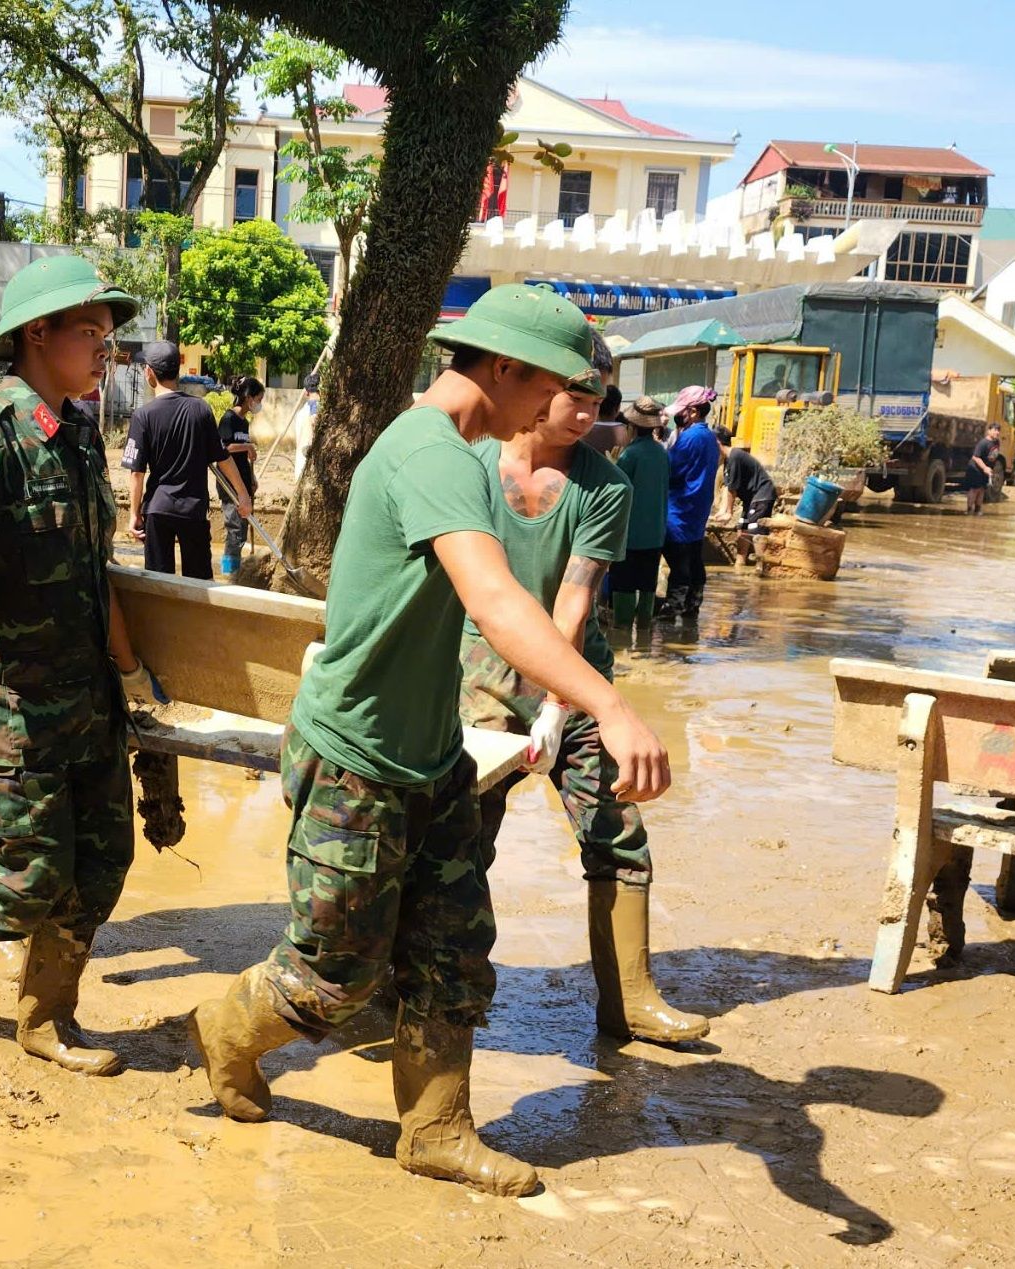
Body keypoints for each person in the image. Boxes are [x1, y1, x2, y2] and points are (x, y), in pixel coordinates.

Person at [188, 283, 672, 1199]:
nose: (555, 413)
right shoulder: (434, 455)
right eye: (552, 389)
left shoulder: (455, 449)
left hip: (431, 755)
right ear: (502, 368)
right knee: (334, 976)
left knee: (451, 951)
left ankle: (435, 1127)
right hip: (356, 757)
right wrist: (606, 703)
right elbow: (495, 603)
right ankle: (223, 1025)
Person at [0, 254, 169, 1076]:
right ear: (36, 334)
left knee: (99, 866)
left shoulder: (82, 436)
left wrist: (132, 676)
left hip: (87, 699)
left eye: (109, 337)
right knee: (19, 879)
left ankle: (46, 1018)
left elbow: (99, 570)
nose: (104, 351)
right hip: (9, 702)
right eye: (89, 333)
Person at [459, 338, 708, 1048]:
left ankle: (627, 998)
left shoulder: (605, 485)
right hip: (472, 681)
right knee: (459, 846)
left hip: (573, 678)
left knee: (617, 830)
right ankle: (440, 985)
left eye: (597, 401)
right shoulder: (469, 464)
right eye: (575, 396)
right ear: (533, 388)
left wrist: (556, 703)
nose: (586, 413)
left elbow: (573, 601)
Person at [123, 341, 250, 580]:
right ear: (177, 372)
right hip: (193, 509)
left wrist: (134, 514)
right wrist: (242, 495)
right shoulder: (200, 409)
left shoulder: (143, 416)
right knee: (199, 583)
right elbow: (223, 459)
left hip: (158, 509)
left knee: (159, 584)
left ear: (150, 372)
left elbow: (136, 474)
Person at [658, 386, 721, 617]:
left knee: (679, 560)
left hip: (679, 510)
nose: (678, 417)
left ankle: (673, 606)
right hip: (697, 508)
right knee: (693, 557)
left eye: (682, 412)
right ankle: (692, 605)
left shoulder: (691, 438)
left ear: (693, 412)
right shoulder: (709, 437)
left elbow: (669, 469)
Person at [609, 396, 669, 630]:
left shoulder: (629, 455)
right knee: (647, 585)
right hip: (655, 533)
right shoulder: (662, 453)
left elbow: (619, 489)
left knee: (623, 584)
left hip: (630, 535)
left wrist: (612, 464)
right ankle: (644, 636)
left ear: (631, 427)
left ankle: (622, 635)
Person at [216, 377, 265, 577]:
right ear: (248, 397)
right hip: (229, 484)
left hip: (243, 483)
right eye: (258, 399)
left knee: (241, 530)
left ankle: (234, 571)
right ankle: (228, 574)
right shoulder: (229, 419)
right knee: (235, 530)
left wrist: (251, 477)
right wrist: (247, 446)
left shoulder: (244, 422)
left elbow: (242, 455)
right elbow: (224, 449)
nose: (259, 404)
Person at [711, 425, 778, 533]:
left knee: (755, 531)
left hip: (761, 495)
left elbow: (732, 489)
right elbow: (727, 487)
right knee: (742, 529)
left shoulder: (735, 457)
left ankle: (761, 550)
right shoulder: (728, 459)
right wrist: (722, 511)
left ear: (717, 442)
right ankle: (741, 551)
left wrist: (729, 512)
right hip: (750, 498)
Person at [965, 422, 1003, 515]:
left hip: (986, 470)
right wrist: (985, 467)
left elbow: (993, 456)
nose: (997, 432)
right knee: (974, 489)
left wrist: (991, 469)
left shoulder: (997, 442)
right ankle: (969, 510)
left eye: (998, 430)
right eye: (995, 430)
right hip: (976, 469)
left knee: (982, 489)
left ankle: (977, 510)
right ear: (989, 431)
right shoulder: (983, 443)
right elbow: (975, 457)